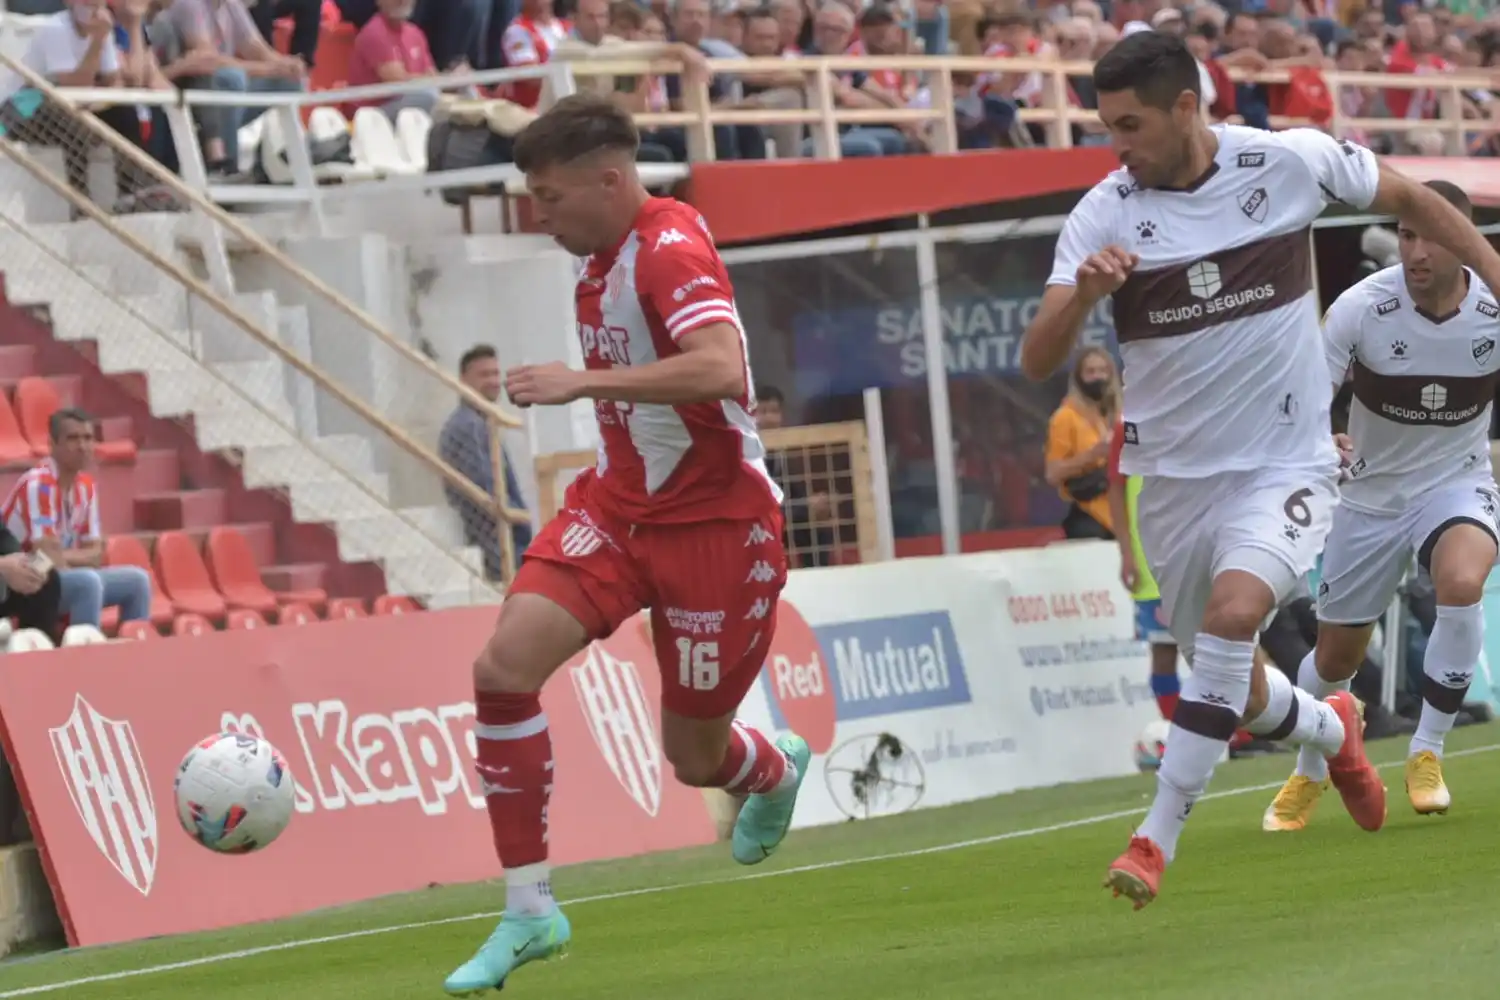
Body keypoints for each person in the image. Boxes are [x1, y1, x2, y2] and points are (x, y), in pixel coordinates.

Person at [1020, 30, 1500, 910]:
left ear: (1186, 108)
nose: (1116, 144)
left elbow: (1413, 199)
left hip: (1284, 464)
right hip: (1173, 482)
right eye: (1107, 125)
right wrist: (1086, 295)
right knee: (1235, 688)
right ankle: (1331, 727)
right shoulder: (1105, 213)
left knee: (1239, 613)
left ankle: (1154, 837)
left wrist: (1495, 271)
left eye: (1130, 124)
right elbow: (1037, 354)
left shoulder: (1288, 163)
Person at [443, 93, 808, 996]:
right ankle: (530, 910)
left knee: (694, 759)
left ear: (610, 182)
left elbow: (722, 367)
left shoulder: (669, 246)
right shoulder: (598, 251)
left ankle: (769, 766)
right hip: (617, 509)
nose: (541, 214)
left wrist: (581, 382)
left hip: (717, 530)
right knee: (502, 668)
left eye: (551, 197)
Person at [1263, 180, 1500, 832]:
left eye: (1431, 235)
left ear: (1463, 239)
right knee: (1335, 660)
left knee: (1460, 581)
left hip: (1455, 481)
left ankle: (1426, 750)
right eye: (1406, 234)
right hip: (1367, 498)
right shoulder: (1361, 307)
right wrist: (1320, 438)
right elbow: (1307, 393)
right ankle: (1312, 767)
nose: (1417, 251)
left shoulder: (1492, 306)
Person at [0, 409, 153, 631]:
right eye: (73, 438)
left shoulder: (87, 486)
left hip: (55, 569)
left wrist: (63, 557)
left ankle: (137, 657)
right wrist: (70, 558)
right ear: (52, 444)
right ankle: (84, 660)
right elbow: (45, 557)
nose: (82, 446)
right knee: (87, 582)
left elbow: (95, 554)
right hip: (27, 576)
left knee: (138, 581)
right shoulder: (38, 484)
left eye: (88, 438)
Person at [437, 344, 533, 582]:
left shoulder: (482, 423)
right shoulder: (468, 426)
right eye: (483, 375)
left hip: (503, 544)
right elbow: (486, 490)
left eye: (495, 373)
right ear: (463, 379)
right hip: (494, 547)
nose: (492, 380)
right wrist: (521, 534)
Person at [1106, 417, 1179, 720]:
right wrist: (1125, 551)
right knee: (1163, 653)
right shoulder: (1128, 427)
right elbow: (1115, 488)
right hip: (1151, 564)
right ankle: (1175, 729)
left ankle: (1237, 735)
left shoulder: (1195, 410)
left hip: (1198, 553)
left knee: (1221, 650)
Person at [1045, 346, 1119, 540]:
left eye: (1103, 371)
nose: (1098, 377)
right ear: (1079, 377)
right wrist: (1093, 455)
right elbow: (1053, 474)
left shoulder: (1118, 413)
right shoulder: (1065, 417)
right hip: (1089, 516)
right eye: (1091, 371)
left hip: (1124, 514)